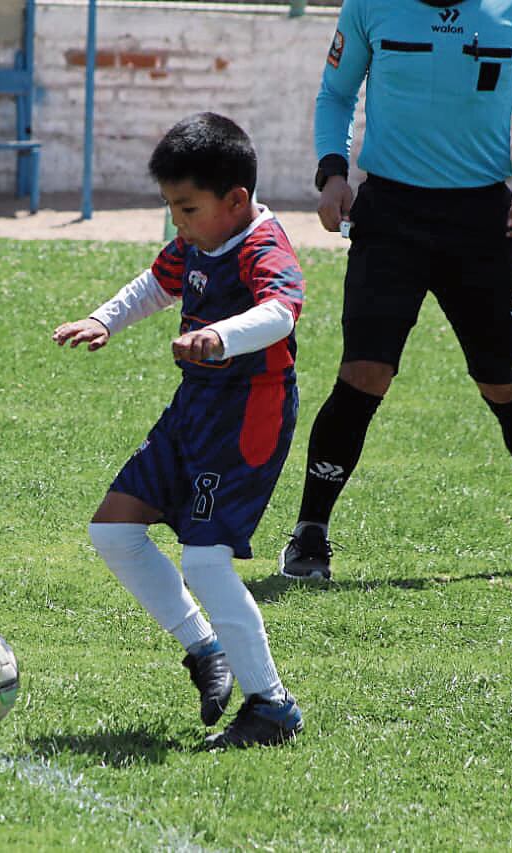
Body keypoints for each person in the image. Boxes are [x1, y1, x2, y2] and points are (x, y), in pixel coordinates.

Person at [279, 0, 512, 580]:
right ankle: (310, 532)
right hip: (390, 214)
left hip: (481, 219)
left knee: (503, 381)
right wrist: (332, 172)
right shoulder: (369, 5)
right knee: (363, 374)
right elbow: (335, 93)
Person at [52, 113, 305, 750]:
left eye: (185, 208)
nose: (177, 222)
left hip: (250, 412)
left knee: (206, 561)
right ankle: (205, 649)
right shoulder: (199, 239)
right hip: (195, 404)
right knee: (112, 529)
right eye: (170, 207)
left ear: (236, 200)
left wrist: (221, 335)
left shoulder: (263, 244)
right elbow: (158, 282)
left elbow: (280, 313)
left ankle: (271, 706)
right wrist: (105, 318)